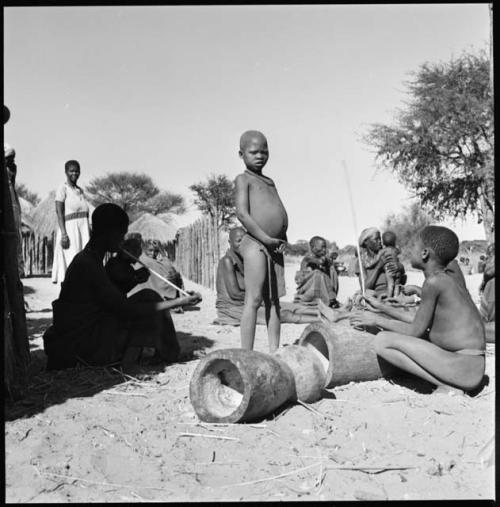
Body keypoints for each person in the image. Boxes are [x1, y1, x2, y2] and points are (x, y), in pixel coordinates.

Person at [43, 203, 202, 372]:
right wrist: (179, 302)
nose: (122, 240)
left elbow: (104, 300)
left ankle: (168, 353)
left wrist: (133, 281)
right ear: (109, 232)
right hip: (84, 346)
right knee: (149, 299)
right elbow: (125, 309)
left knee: (147, 296)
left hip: (84, 337)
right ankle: (129, 364)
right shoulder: (88, 264)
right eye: (121, 234)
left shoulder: (90, 259)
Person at [350, 226, 485, 393]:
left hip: (462, 368)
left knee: (382, 340)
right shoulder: (447, 278)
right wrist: (381, 307)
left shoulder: (433, 282)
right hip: (471, 366)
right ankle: (447, 382)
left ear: (424, 253)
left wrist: (376, 319)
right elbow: (417, 320)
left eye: (413, 246)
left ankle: (445, 385)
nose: (408, 250)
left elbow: (414, 331)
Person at [234, 130, 288, 352]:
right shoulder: (243, 179)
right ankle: (247, 353)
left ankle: (274, 351)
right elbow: (242, 214)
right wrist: (265, 237)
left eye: (264, 151)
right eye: (253, 152)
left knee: (274, 301)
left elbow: (276, 208)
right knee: (254, 300)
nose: (259, 156)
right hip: (256, 243)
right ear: (241, 154)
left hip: (274, 245)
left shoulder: (269, 181)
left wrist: (282, 236)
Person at [214, 226, 319, 325]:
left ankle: (327, 314)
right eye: (238, 241)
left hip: (249, 302)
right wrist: (262, 300)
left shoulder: (246, 260)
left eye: (245, 241)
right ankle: (322, 320)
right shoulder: (227, 261)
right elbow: (235, 295)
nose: (242, 245)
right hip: (233, 308)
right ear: (229, 242)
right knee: (282, 314)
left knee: (294, 307)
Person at [51, 160, 92, 284]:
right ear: (66, 172)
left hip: (82, 231)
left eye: (76, 171)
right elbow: (59, 212)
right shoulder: (62, 189)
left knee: (83, 264)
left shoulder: (80, 191)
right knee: (71, 264)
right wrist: (64, 234)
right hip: (70, 231)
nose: (74, 173)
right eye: (71, 171)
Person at [355, 227, 405, 297]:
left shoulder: (386, 252)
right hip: (375, 295)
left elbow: (401, 268)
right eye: (376, 239)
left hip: (394, 291)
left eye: (380, 239)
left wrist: (399, 266)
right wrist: (378, 267)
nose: (380, 241)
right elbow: (365, 287)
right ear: (366, 242)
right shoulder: (361, 261)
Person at [131, 238, 185, 303]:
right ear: (145, 249)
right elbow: (169, 267)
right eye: (150, 250)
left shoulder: (143, 259)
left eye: (156, 251)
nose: (153, 253)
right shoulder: (145, 261)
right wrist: (161, 250)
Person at [294, 236, 339, 307]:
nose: (324, 250)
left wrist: (330, 260)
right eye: (322, 247)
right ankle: (328, 298)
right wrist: (327, 258)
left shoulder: (321, 257)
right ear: (313, 248)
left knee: (332, 269)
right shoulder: (308, 258)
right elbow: (320, 262)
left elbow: (326, 262)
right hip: (307, 289)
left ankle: (331, 297)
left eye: (325, 247)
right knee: (318, 273)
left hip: (320, 289)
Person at [4, 144, 24, 277]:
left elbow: (12, 183)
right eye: (9, 158)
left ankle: (17, 269)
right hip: (7, 200)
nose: (11, 161)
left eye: (12, 158)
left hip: (12, 200)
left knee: (16, 235)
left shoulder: (12, 168)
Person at [381, 230, 402, 298]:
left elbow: (378, 258)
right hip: (397, 270)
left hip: (389, 269)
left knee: (390, 285)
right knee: (397, 285)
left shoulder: (383, 250)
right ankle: (396, 297)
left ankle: (389, 298)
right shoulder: (396, 250)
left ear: (383, 242)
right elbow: (400, 252)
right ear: (394, 242)